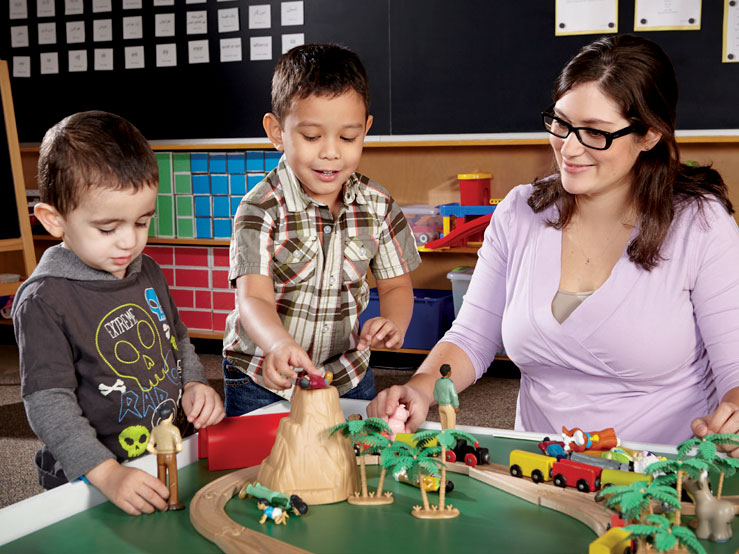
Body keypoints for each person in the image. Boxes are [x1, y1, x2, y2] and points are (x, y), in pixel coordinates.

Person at [368, 34, 739, 453]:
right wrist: (420, 388)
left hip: (662, 474)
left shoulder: (700, 224)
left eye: (596, 132)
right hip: (540, 466)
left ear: (649, 135)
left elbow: (735, 372)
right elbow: (472, 337)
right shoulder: (520, 212)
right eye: (561, 123)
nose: (570, 148)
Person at [12, 111, 225, 515]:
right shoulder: (44, 299)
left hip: (162, 455)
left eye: (142, 221)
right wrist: (107, 473)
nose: (129, 241)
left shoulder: (146, 270)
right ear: (54, 220)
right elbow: (47, 404)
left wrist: (196, 383)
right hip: (90, 479)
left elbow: (175, 338)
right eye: (108, 228)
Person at [222, 43, 420, 416]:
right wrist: (279, 345)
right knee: (262, 470)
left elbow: (396, 285)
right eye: (312, 137)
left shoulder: (378, 206)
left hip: (346, 375)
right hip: (264, 378)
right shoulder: (259, 209)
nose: (331, 152)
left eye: (348, 138)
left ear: (366, 129)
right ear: (277, 131)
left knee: (353, 463)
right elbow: (254, 299)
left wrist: (393, 321)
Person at [147, 405, 184, 511]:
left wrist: (157, 452)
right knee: (173, 479)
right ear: (171, 415)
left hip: (160, 456)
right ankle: (173, 502)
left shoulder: (156, 430)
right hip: (170, 455)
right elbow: (179, 447)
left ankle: (161, 501)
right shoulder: (173, 429)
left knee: (161, 479)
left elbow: (149, 447)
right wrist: (174, 452)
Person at [433, 364, 459, 430]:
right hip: (449, 406)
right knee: (451, 426)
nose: (451, 372)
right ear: (448, 372)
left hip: (440, 406)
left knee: (443, 426)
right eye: (450, 371)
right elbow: (454, 395)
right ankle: (450, 439)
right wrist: (456, 406)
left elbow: (435, 393)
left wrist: (439, 401)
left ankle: (443, 439)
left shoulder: (438, 382)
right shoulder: (450, 383)